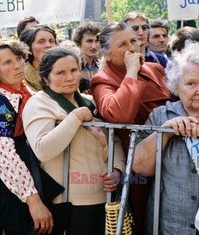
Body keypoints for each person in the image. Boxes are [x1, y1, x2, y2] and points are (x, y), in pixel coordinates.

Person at [23, 47, 125, 235]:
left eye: (74, 70)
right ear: (46, 78)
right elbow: (42, 149)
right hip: (69, 202)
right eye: (60, 73)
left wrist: (118, 169)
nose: (70, 77)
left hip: (106, 197)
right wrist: (75, 117)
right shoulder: (39, 103)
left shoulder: (90, 101)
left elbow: (115, 140)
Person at [90, 21, 172, 234]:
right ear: (106, 54)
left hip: (171, 154)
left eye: (134, 41)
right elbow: (119, 115)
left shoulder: (155, 68)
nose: (133, 48)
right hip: (136, 165)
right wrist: (131, 72)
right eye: (123, 44)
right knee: (144, 220)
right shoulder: (102, 80)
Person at [0, 38, 53, 234]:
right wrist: (33, 200)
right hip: (15, 187)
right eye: (7, 62)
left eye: (19, 58)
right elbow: (5, 157)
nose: (17, 66)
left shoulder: (26, 91)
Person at [133, 41, 199, 235]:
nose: (198, 90)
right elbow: (139, 167)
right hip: (171, 225)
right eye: (191, 84)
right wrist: (164, 133)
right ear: (176, 86)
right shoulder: (161, 115)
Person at [19, 25, 57, 92]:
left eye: (51, 41)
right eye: (41, 41)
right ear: (29, 49)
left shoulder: (65, 69)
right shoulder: (21, 76)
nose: (48, 45)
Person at [72, 21, 102, 90]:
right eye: (89, 41)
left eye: (97, 41)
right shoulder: (74, 68)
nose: (94, 46)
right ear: (79, 43)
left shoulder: (102, 67)